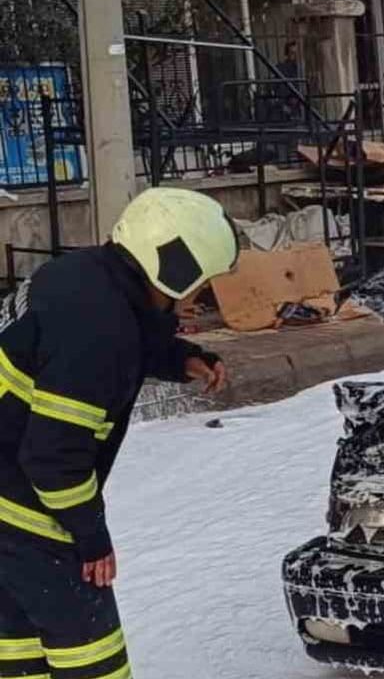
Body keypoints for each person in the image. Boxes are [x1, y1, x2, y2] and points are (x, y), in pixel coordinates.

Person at [0, 187, 239, 679]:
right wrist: (92, 539)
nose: (201, 295)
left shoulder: (82, 274)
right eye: (202, 282)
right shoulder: (99, 331)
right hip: (22, 513)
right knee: (92, 658)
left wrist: (180, 358)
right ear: (176, 270)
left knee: (18, 650)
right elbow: (52, 457)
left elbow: (123, 334)